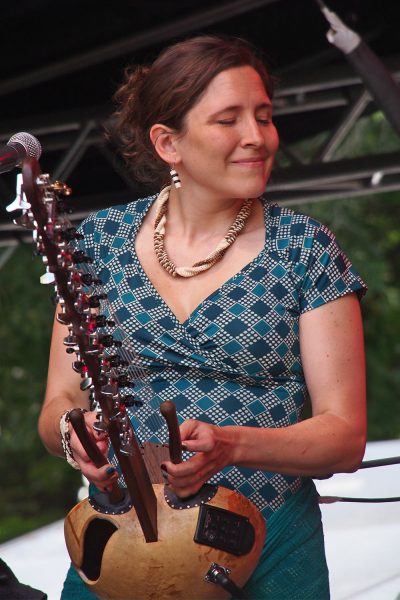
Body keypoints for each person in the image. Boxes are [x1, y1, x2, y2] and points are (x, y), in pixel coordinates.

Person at [38, 35, 367, 599]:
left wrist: (232, 446)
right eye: (229, 120)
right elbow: (56, 407)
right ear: (168, 143)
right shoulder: (95, 245)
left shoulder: (304, 249)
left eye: (264, 117)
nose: (257, 138)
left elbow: (344, 438)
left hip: (266, 540)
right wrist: (75, 438)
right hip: (121, 541)